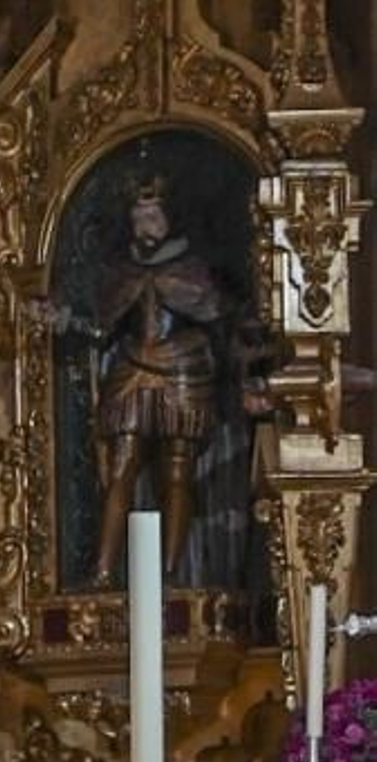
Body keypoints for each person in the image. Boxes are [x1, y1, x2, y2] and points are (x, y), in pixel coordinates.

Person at [91, 174, 224, 583]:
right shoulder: (122, 271)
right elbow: (101, 321)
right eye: (138, 214)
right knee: (122, 465)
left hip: (181, 369)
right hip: (132, 366)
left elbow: (218, 314)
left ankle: (170, 571)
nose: (145, 223)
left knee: (178, 469)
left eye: (152, 214)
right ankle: (103, 569)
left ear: (169, 217)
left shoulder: (193, 268)